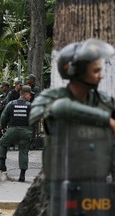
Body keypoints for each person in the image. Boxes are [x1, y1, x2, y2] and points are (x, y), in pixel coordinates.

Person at [29, 38, 115, 216]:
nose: (101, 76)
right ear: (75, 70)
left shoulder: (105, 102)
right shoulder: (50, 97)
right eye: (96, 70)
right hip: (64, 187)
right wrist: (106, 120)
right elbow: (54, 110)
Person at [0, 86, 33, 182]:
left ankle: (2, 164)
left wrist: (2, 127)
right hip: (25, 131)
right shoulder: (30, 105)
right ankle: (22, 175)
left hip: (12, 130)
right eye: (30, 95)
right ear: (25, 94)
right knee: (23, 151)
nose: (30, 97)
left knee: (1, 143)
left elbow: (3, 117)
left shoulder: (11, 104)